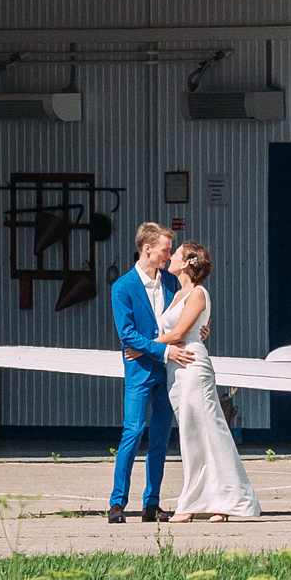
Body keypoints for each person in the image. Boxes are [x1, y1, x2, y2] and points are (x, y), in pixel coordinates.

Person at [157, 242, 262, 522]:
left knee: (208, 432)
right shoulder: (179, 293)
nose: (170, 258)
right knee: (193, 435)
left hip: (192, 366)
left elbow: (180, 332)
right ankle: (212, 501)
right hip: (176, 368)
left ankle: (218, 502)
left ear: (188, 262)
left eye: (175, 254)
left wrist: (142, 345)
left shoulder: (198, 294)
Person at [107, 222, 179, 524]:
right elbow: (127, 334)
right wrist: (161, 349)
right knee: (133, 431)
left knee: (161, 438)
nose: (169, 255)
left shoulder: (171, 283)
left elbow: (180, 321)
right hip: (140, 371)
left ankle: (152, 502)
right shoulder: (122, 287)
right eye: (165, 250)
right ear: (146, 249)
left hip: (168, 370)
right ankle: (117, 502)